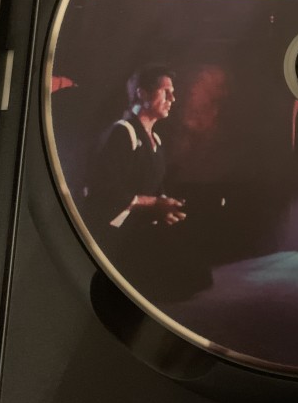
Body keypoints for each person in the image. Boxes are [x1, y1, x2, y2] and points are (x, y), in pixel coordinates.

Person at [84, 65, 210, 300]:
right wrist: (153, 205)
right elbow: (103, 191)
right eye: (166, 92)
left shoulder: (156, 140)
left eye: (173, 93)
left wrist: (167, 207)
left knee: (198, 271)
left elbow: (155, 189)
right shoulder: (122, 132)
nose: (172, 99)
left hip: (143, 228)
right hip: (117, 235)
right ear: (142, 93)